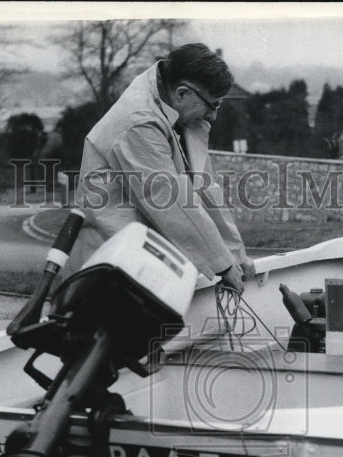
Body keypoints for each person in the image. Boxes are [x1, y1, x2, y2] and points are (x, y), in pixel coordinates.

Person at [67, 43, 253, 292]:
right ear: (182, 94)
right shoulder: (139, 122)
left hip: (141, 260)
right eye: (213, 105)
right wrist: (223, 266)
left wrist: (235, 255)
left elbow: (205, 189)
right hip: (108, 268)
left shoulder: (176, 106)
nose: (213, 117)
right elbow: (171, 201)